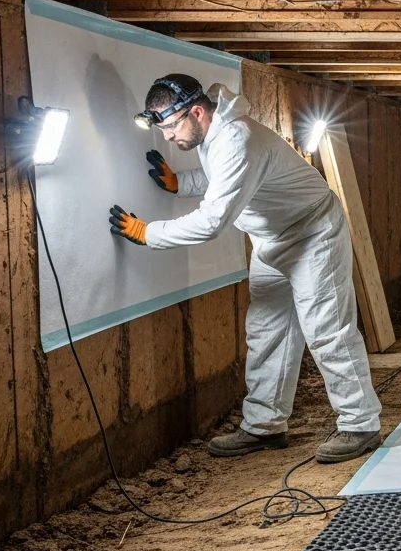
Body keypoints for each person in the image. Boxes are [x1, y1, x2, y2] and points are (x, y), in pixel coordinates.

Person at [109, 74, 382, 463]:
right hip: (272, 239)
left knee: (326, 329)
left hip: (312, 232)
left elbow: (212, 221)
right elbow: (225, 177)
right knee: (266, 330)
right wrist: (181, 183)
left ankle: (360, 424)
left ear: (197, 112)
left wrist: (147, 233)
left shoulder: (237, 138)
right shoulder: (214, 134)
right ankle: (264, 427)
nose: (167, 136)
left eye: (170, 126)